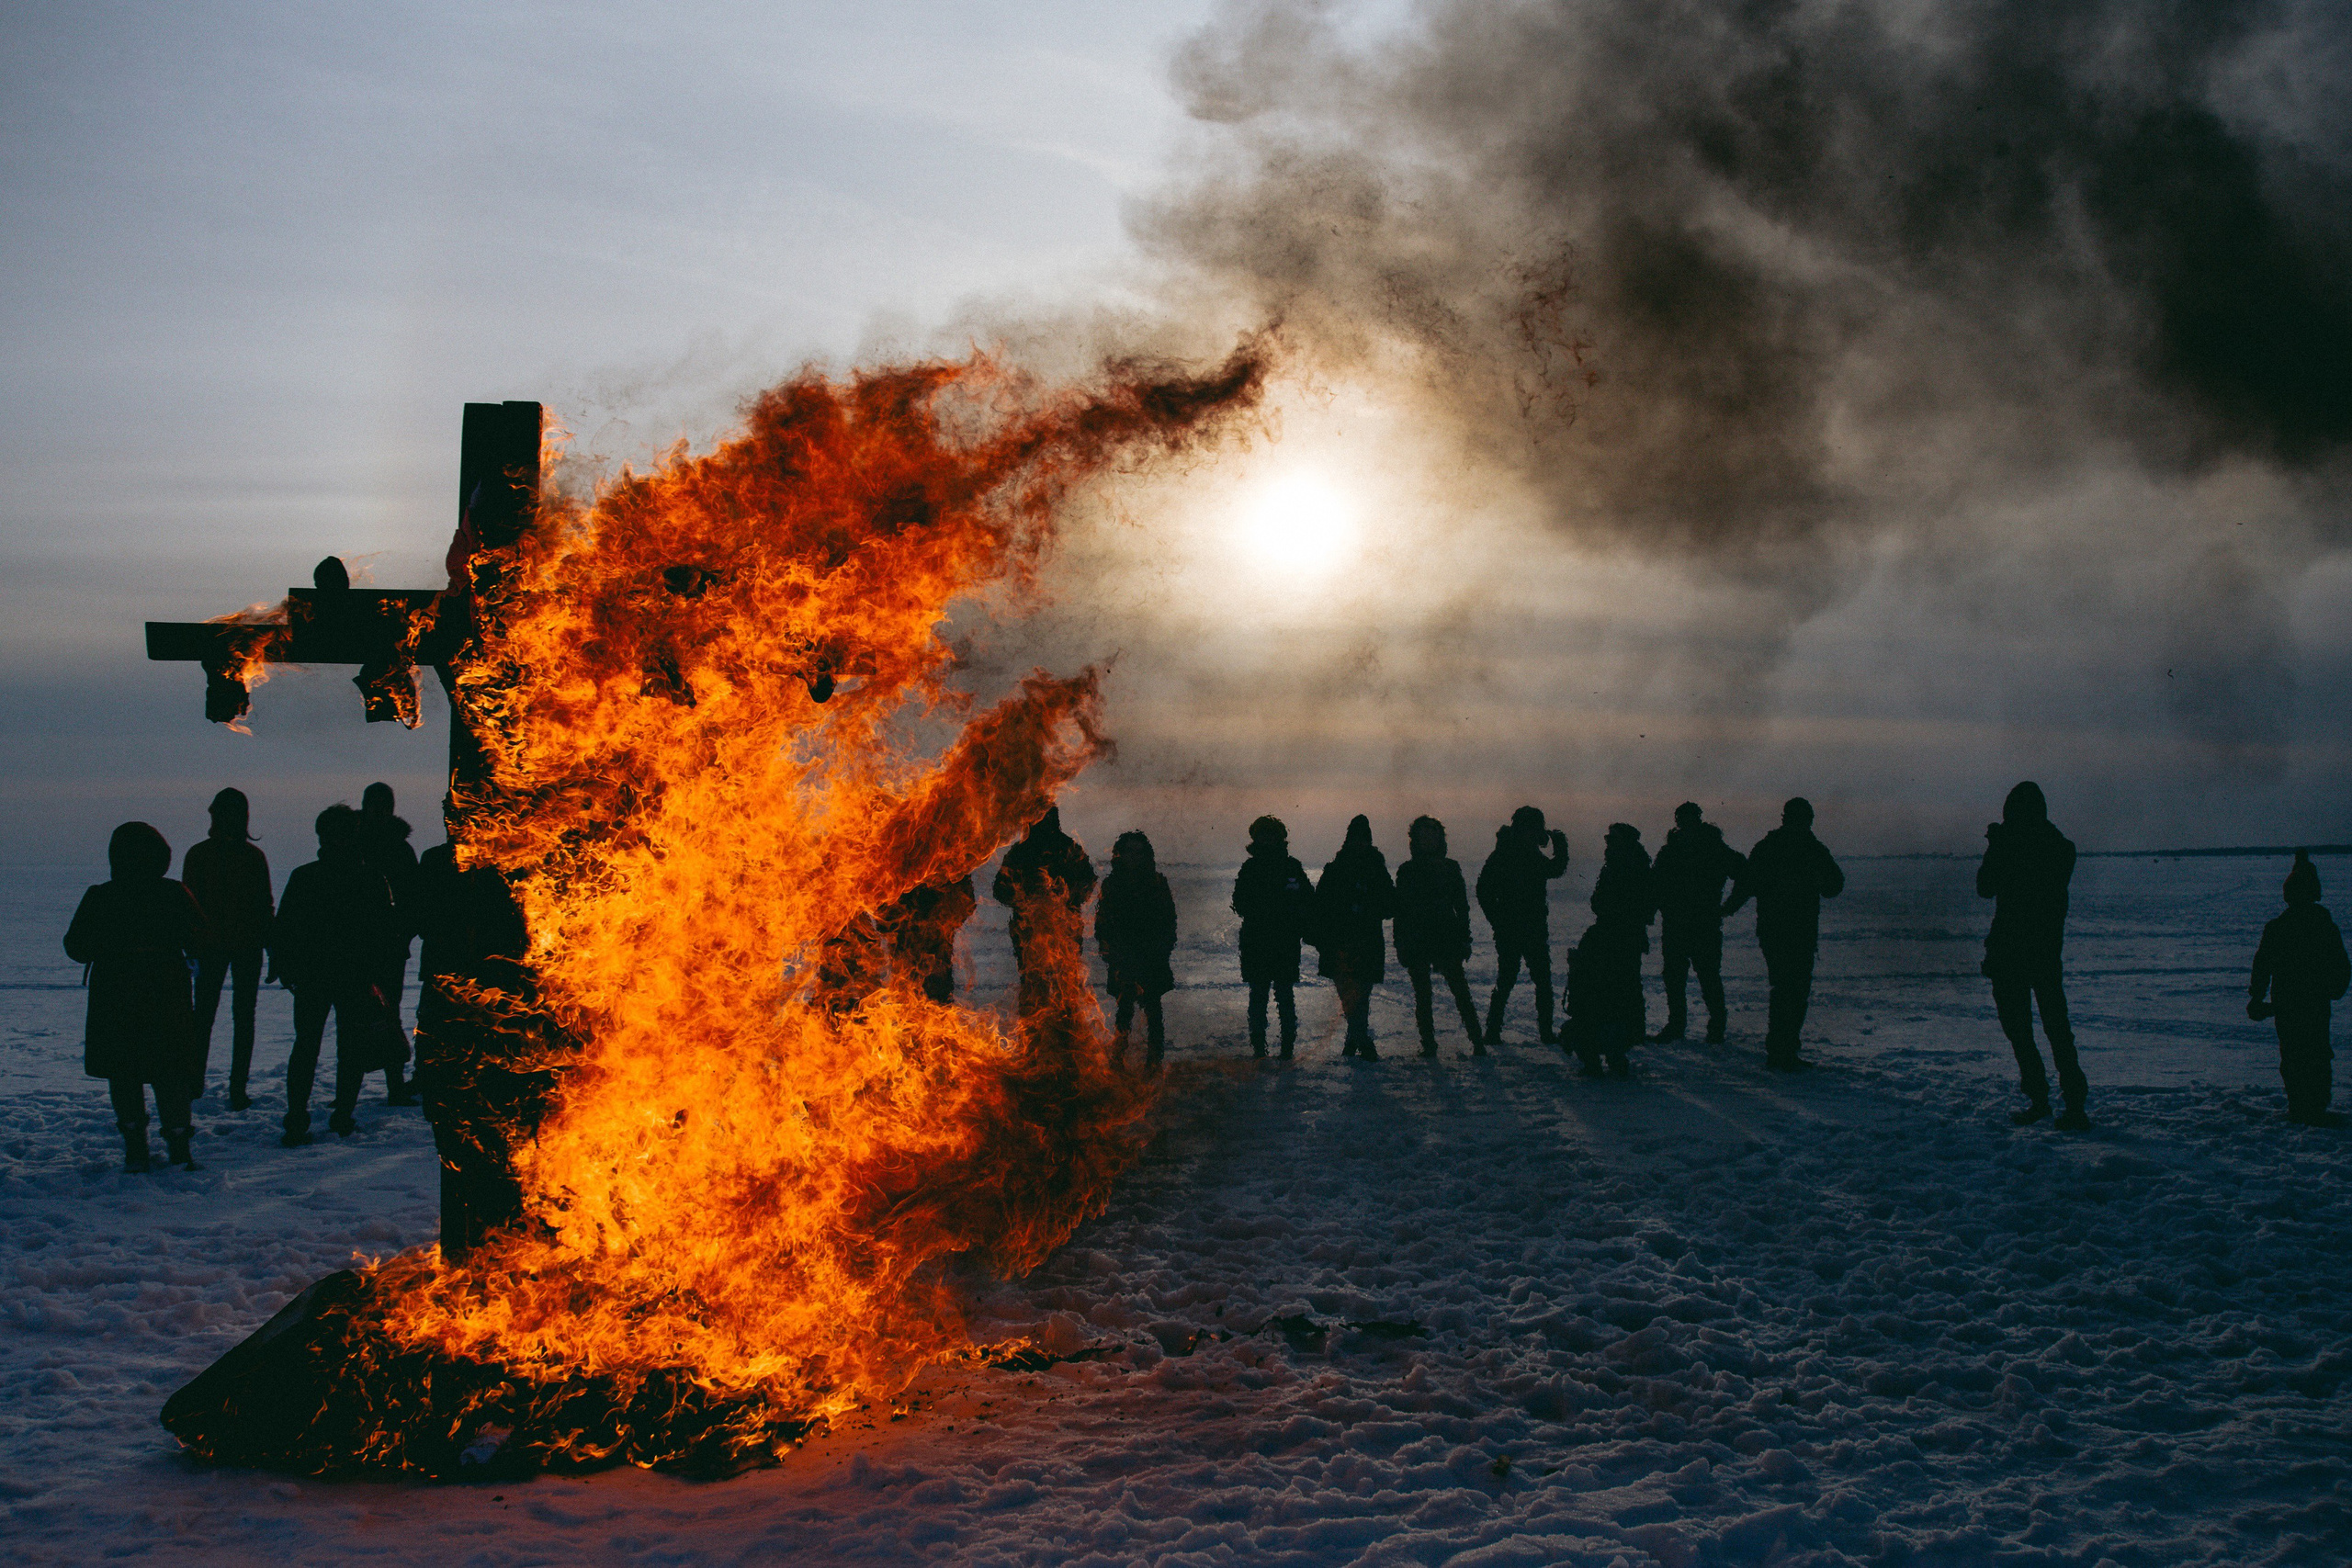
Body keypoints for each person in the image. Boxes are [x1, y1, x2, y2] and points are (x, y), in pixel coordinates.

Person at [409, 813, 536, 1255]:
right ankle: (476, 1245)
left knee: (492, 1130)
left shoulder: (508, 865)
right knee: (460, 1128)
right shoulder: (442, 864)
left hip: (494, 1009)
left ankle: (494, 1241)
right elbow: (421, 919)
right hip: (459, 1005)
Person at [63, 823, 206, 1172]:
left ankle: (136, 1151)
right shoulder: (174, 893)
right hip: (166, 994)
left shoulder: (101, 895)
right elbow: (201, 938)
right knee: (170, 1072)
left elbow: (76, 947)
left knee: (123, 1072)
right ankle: (179, 1149)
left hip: (115, 996)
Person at [270, 804, 401, 1145]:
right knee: (350, 1045)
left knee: (306, 1044)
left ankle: (298, 1115)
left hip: (314, 973)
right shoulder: (371, 878)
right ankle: (343, 1114)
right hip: (355, 974)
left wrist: (285, 966)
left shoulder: (305, 876)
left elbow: (284, 927)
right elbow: (385, 931)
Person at [1976, 782, 2086, 1128]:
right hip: (2035, 954)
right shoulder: (2057, 846)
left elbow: (1986, 885)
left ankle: (2059, 1102)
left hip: (2023, 952)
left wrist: (2000, 845)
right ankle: (2057, 1102)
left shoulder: (2043, 848)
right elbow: (1987, 887)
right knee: (2038, 1030)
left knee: (2039, 1030)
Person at [1722, 797, 1845, 1071]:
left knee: (1785, 990)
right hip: (1794, 932)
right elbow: (1834, 885)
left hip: (1777, 931)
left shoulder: (1770, 847)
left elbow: (1746, 885)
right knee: (1793, 991)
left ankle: (1782, 1049)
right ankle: (1783, 1051)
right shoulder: (1811, 849)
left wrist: (1727, 909)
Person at [182, 787, 274, 1109]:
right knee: (237, 1017)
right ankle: (233, 1088)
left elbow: (189, 907)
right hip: (238, 946)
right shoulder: (250, 857)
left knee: (206, 1016)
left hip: (217, 947)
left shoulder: (200, 855)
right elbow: (265, 907)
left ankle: (198, 1083)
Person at [2249, 850, 2352, 1127]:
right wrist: (2256, 997)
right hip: (2304, 1003)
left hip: (2300, 1002)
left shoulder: (2289, 927)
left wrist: (2257, 997)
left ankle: (2307, 1106)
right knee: (2310, 1053)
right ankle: (2308, 1106)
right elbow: (2263, 966)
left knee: (2302, 1054)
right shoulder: (2313, 926)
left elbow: (2262, 967)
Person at [1648, 802, 1745, 1043]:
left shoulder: (1714, 849)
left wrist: (1730, 906)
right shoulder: (1671, 851)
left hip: (1703, 923)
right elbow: (1655, 885)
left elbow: (1744, 873)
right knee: (1676, 977)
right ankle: (1678, 1026)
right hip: (1677, 924)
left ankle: (1715, 1028)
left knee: (1708, 976)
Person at [992, 807, 1097, 1017]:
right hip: (1029, 929)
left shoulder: (1069, 848)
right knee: (1035, 981)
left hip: (1064, 927)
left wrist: (1068, 901)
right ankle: (1036, 1031)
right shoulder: (1021, 852)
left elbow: (1088, 881)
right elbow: (1001, 890)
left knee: (1063, 980)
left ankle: (1065, 1029)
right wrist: (1024, 902)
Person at [1477, 807, 1570, 1045]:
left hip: (1533, 927)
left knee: (1540, 979)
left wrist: (1561, 846)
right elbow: (1484, 890)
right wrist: (1497, 919)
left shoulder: (1528, 855)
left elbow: (1555, 869)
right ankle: (1495, 1030)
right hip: (1511, 928)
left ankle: (1544, 1032)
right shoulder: (1504, 855)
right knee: (1508, 978)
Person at [1394, 816, 1484, 1058]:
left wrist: (1464, 938)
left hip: (1446, 936)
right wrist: (1401, 942)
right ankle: (1429, 1045)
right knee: (1423, 995)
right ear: (1415, 841)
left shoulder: (1450, 868)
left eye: (1433, 835)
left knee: (1461, 992)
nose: (1429, 840)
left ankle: (1478, 1042)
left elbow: (1462, 907)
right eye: (1424, 836)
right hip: (1418, 939)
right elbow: (1400, 911)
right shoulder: (1408, 870)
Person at [356, 782, 422, 1106]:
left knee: (389, 1014)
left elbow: (413, 900)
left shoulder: (397, 849)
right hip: (356, 947)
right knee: (356, 1017)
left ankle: (393, 1085)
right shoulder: (353, 847)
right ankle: (351, 1086)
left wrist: (402, 934)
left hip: (388, 947)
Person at [1231, 816, 1314, 1058]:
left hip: (1285, 941)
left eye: (1272, 834)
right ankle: (1259, 1048)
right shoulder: (1250, 868)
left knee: (1284, 994)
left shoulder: (1292, 867)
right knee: (1258, 995)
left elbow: (1308, 899)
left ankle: (1287, 1048)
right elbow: (1240, 903)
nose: (1268, 839)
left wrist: (1297, 918)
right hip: (1256, 941)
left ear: (1281, 837)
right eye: (1263, 834)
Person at [1314, 816, 1396, 1058]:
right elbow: (1321, 903)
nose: (1360, 843)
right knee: (1350, 992)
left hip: (1367, 939)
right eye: (1356, 839)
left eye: (1364, 839)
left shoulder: (1376, 869)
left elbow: (1390, 903)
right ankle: (1359, 1038)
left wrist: (1369, 907)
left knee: (1361, 992)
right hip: (1341, 940)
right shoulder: (1336, 868)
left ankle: (1356, 1038)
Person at [1095, 830, 1178, 1067]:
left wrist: (1163, 948)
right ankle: (1118, 1058)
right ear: (1120, 855)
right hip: (1123, 954)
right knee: (1124, 1009)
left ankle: (1154, 1060)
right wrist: (1109, 949)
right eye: (1129, 852)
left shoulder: (1156, 882)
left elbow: (1168, 919)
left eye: (1138, 852)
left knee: (1153, 1009)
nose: (1134, 857)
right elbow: (1102, 920)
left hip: (1152, 954)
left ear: (1146, 855)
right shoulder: (1112, 885)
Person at [1565, 919, 1647, 1078]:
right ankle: (1616, 1059)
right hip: (1621, 1028)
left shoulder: (1587, 979)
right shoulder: (1624, 969)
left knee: (1574, 1030)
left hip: (1604, 1029)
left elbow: (1574, 1008)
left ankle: (1594, 1063)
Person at [885, 875, 978, 1003]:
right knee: (908, 980)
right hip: (905, 917)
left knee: (932, 980)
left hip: (936, 916)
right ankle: (917, 1010)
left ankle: (934, 1008)